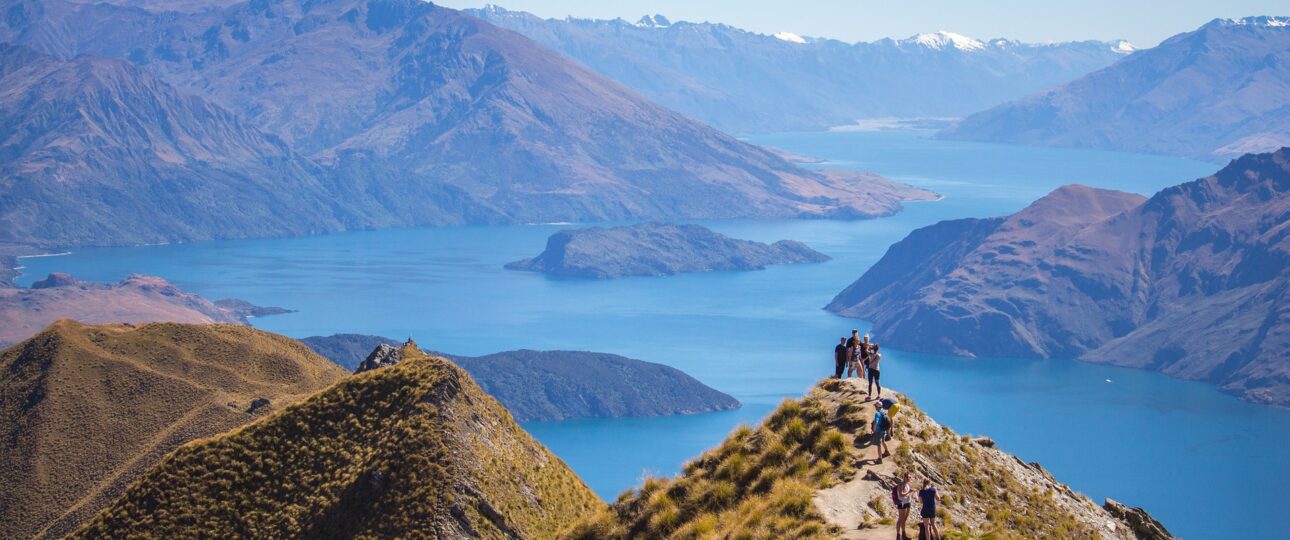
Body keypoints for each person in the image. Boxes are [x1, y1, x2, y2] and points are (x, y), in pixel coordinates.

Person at [892, 471, 913, 540]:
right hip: (902, 503)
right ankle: (898, 536)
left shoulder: (907, 485)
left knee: (904, 519)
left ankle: (904, 535)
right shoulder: (901, 485)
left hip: (907, 502)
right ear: (904, 477)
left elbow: (906, 494)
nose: (909, 478)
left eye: (910, 477)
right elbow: (901, 494)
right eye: (907, 477)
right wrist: (909, 492)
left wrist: (912, 493)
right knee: (900, 519)